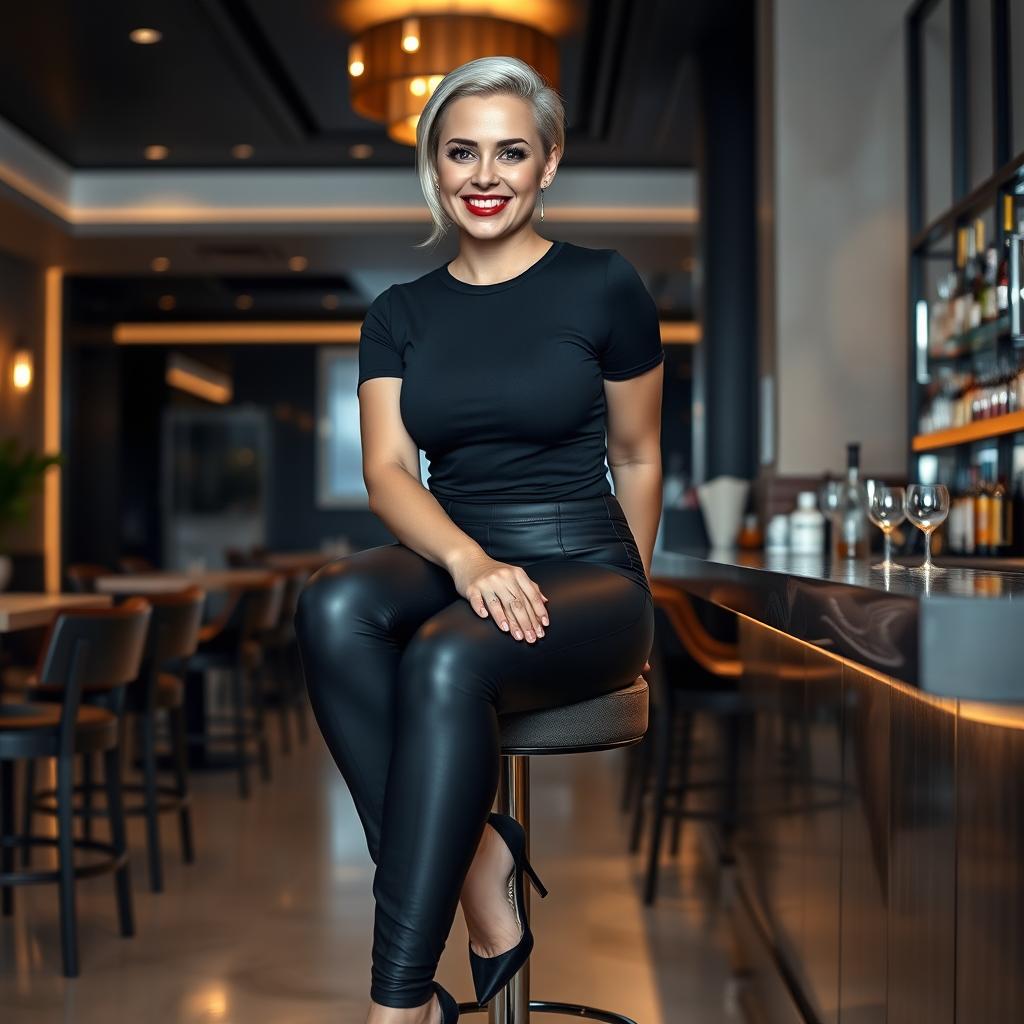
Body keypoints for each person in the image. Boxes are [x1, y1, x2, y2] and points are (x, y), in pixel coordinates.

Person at [295, 54, 664, 1024]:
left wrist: (634, 611)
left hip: (585, 562)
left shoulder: (604, 285)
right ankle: (480, 859)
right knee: (331, 604)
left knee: (445, 658)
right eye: (462, 152)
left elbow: (636, 457)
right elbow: (386, 474)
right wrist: (467, 559)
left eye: (510, 152)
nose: (485, 175)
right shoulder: (399, 314)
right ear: (434, 166)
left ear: (547, 165)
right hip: (458, 551)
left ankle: (400, 1002)